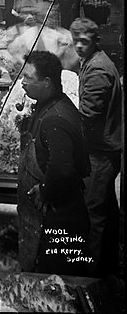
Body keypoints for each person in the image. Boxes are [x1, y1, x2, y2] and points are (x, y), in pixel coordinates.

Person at [17, 50, 91, 276]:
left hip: (58, 220)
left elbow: (61, 168)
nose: (22, 82)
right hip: (51, 216)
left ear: (47, 82)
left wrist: (45, 190)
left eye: (28, 77)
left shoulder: (56, 119)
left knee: (56, 282)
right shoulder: (51, 104)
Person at [70, 17, 123, 277]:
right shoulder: (93, 62)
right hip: (106, 148)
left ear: (95, 41)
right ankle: (109, 268)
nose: (79, 46)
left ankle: (88, 277)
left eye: (84, 41)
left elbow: (88, 116)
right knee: (107, 213)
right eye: (76, 41)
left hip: (100, 152)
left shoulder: (98, 70)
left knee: (92, 216)